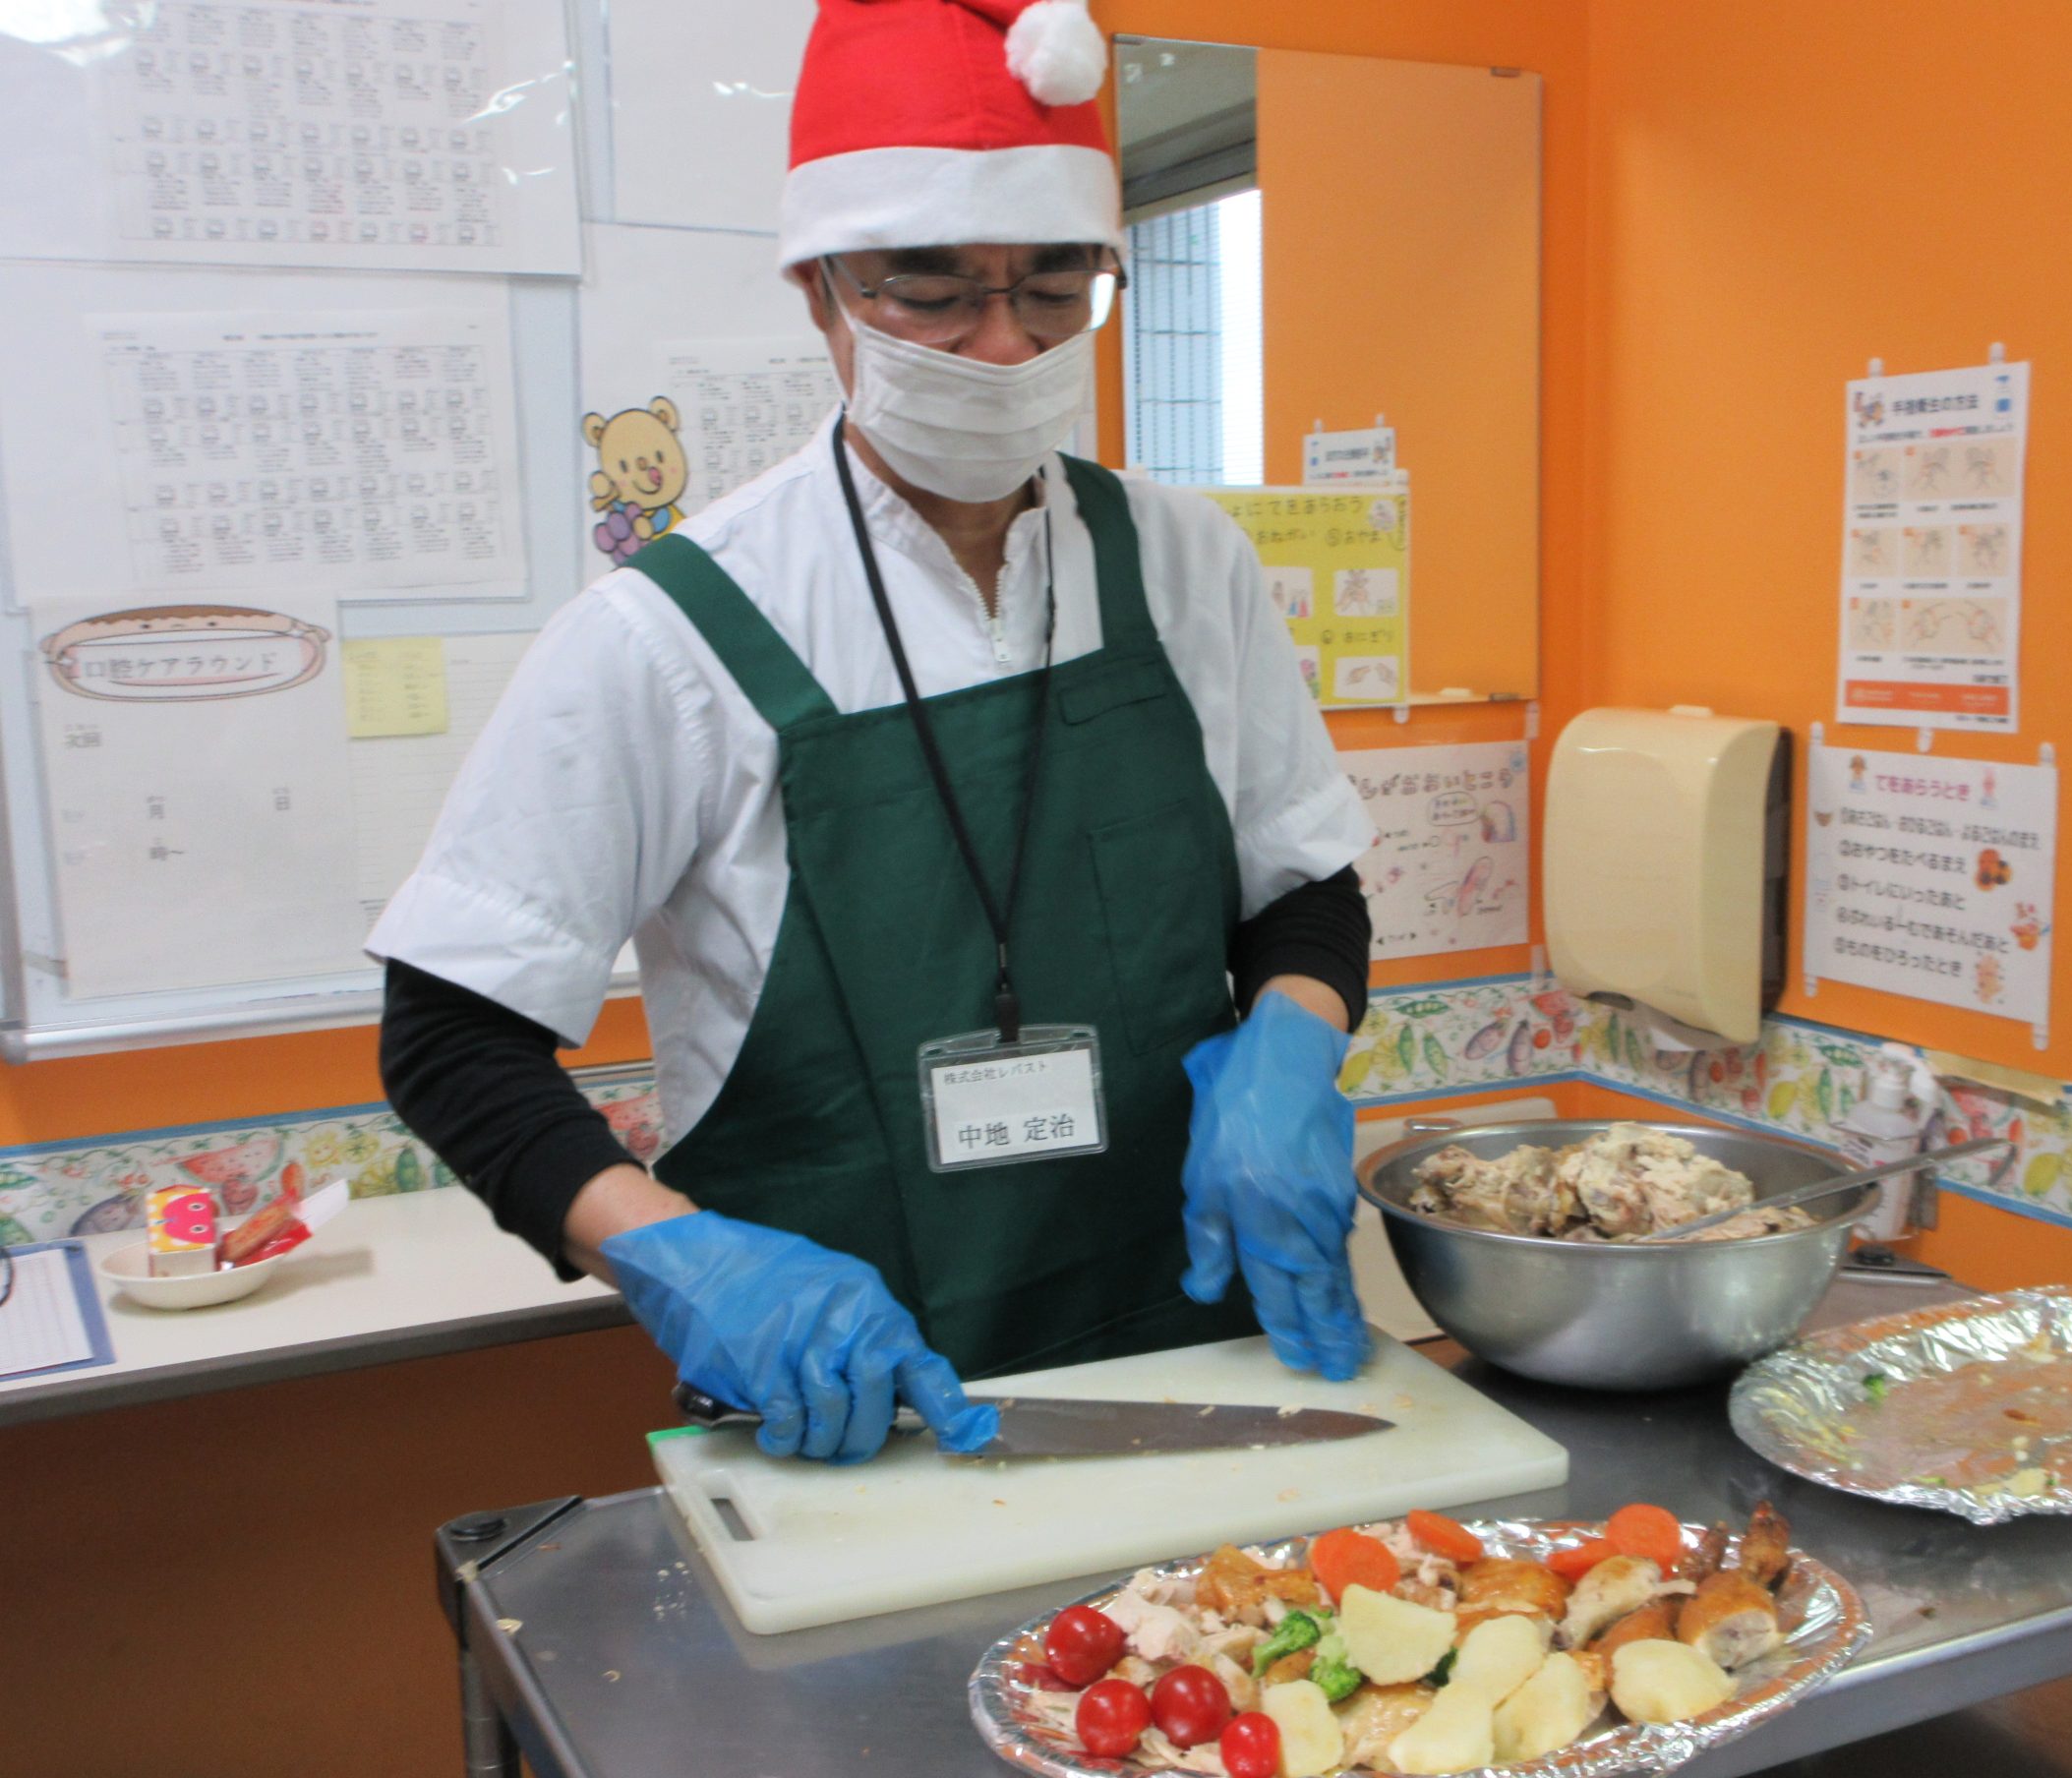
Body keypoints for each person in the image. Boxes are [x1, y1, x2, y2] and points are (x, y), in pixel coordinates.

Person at [371, 0, 1377, 1465]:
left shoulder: (1181, 561)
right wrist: (675, 1255)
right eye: (931, 293)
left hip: (1192, 1357)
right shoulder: (668, 635)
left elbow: (1306, 893)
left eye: (1051, 291)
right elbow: (454, 1038)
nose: (999, 344)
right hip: (853, 1396)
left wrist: (1290, 1044)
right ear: (821, 291)